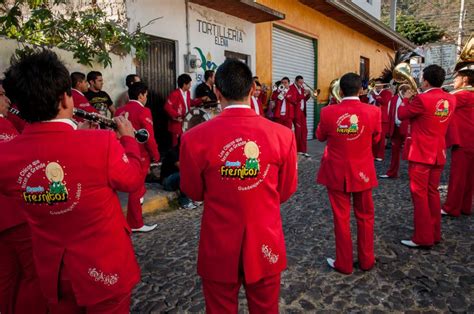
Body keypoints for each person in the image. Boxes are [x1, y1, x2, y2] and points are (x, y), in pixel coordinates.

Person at [0, 50, 143, 313]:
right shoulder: (102, 143)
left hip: (53, 275)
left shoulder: (5, 155)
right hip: (105, 270)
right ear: (66, 98)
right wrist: (129, 140)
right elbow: (133, 179)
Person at [180, 59, 297, 313]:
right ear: (252, 90)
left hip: (218, 243)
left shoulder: (192, 138)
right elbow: (285, 190)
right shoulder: (283, 135)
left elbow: (193, 191)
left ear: (218, 92)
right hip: (265, 240)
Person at [316, 72, 381, 274]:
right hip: (363, 171)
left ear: (341, 90)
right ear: (361, 90)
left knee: (341, 218)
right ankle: (366, 260)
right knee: (365, 216)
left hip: (336, 171)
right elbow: (377, 139)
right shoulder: (374, 111)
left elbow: (319, 137)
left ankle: (343, 263)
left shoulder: (328, 112)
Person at [1, 79, 47, 314]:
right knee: (32, 273)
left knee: (6, 275)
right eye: (1, 95)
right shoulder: (3, 127)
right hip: (13, 213)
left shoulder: (8, 123)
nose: (6, 100)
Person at [398, 64, 456, 248]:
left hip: (422, 154)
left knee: (419, 196)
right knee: (433, 193)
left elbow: (401, 115)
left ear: (426, 80)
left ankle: (423, 237)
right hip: (439, 152)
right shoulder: (450, 99)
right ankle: (435, 233)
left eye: (422, 79)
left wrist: (406, 99)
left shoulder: (421, 100)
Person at [115, 82, 159, 232]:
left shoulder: (119, 111)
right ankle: (135, 223)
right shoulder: (144, 111)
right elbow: (149, 137)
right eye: (146, 95)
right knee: (137, 189)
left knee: (137, 189)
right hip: (140, 155)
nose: (146, 98)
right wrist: (156, 155)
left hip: (122, 152)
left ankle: (134, 221)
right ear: (141, 95)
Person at [441, 67, 473, 217]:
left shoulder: (464, 95)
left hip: (464, 141)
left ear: (465, 80)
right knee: (469, 177)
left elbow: (442, 103)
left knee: (458, 177)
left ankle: (452, 207)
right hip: (470, 141)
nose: (454, 80)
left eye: (456, 77)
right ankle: (465, 207)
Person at [379, 84, 411, 179]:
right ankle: (392, 172)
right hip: (396, 128)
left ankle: (412, 173)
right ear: (402, 91)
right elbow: (390, 113)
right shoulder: (393, 99)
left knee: (410, 152)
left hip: (406, 128)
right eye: (408, 92)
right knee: (395, 153)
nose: (409, 94)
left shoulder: (411, 100)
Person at [165, 74, 203, 147]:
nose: (190, 85)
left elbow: (190, 102)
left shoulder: (188, 93)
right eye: (189, 84)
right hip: (176, 124)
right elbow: (167, 107)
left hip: (185, 122)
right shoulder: (175, 94)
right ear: (184, 84)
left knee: (184, 144)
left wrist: (200, 100)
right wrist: (177, 115)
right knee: (176, 146)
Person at [159, 141, 197, 210]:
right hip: (167, 180)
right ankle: (185, 202)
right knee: (183, 175)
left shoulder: (185, 152)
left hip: (176, 179)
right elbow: (182, 167)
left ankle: (195, 197)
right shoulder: (173, 153)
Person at [287, 76, 311, 157]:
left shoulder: (302, 89)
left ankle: (303, 150)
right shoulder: (291, 88)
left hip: (302, 113)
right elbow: (293, 100)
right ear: (296, 81)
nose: (301, 84)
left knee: (304, 131)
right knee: (298, 132)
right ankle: (297, 150)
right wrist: (303, 94)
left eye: (302, 82)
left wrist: (308, 94)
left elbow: (304, 99)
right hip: (296, 113)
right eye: (300, 82)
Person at [371, 79, 393, 161]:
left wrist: (375, 95)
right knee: (372, 137)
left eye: (378, 84)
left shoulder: (387, 93)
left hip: (383, 118)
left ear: (383, 85)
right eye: (375, 85)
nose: (377, 86)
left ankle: (380, 155)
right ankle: (372, 154)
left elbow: (384, 102)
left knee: (381, 138)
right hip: (373, 117)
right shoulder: (373, 93)